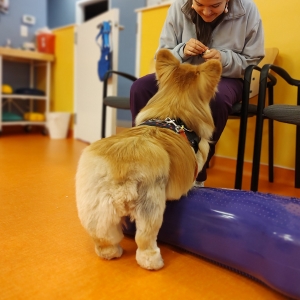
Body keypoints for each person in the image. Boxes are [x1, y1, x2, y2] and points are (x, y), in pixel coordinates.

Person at [130, 0, 264, 187]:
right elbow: (163, 53)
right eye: (199, 4)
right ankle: (143, 157)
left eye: (215, 5)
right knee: (140, 88)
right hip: (182, 74)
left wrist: (223, 58)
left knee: (216, 98)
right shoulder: (178, 6)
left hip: (227, 77)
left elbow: (252, 62)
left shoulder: (248, 9)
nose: (207, 12)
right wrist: (182, 50)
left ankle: (197, 172)